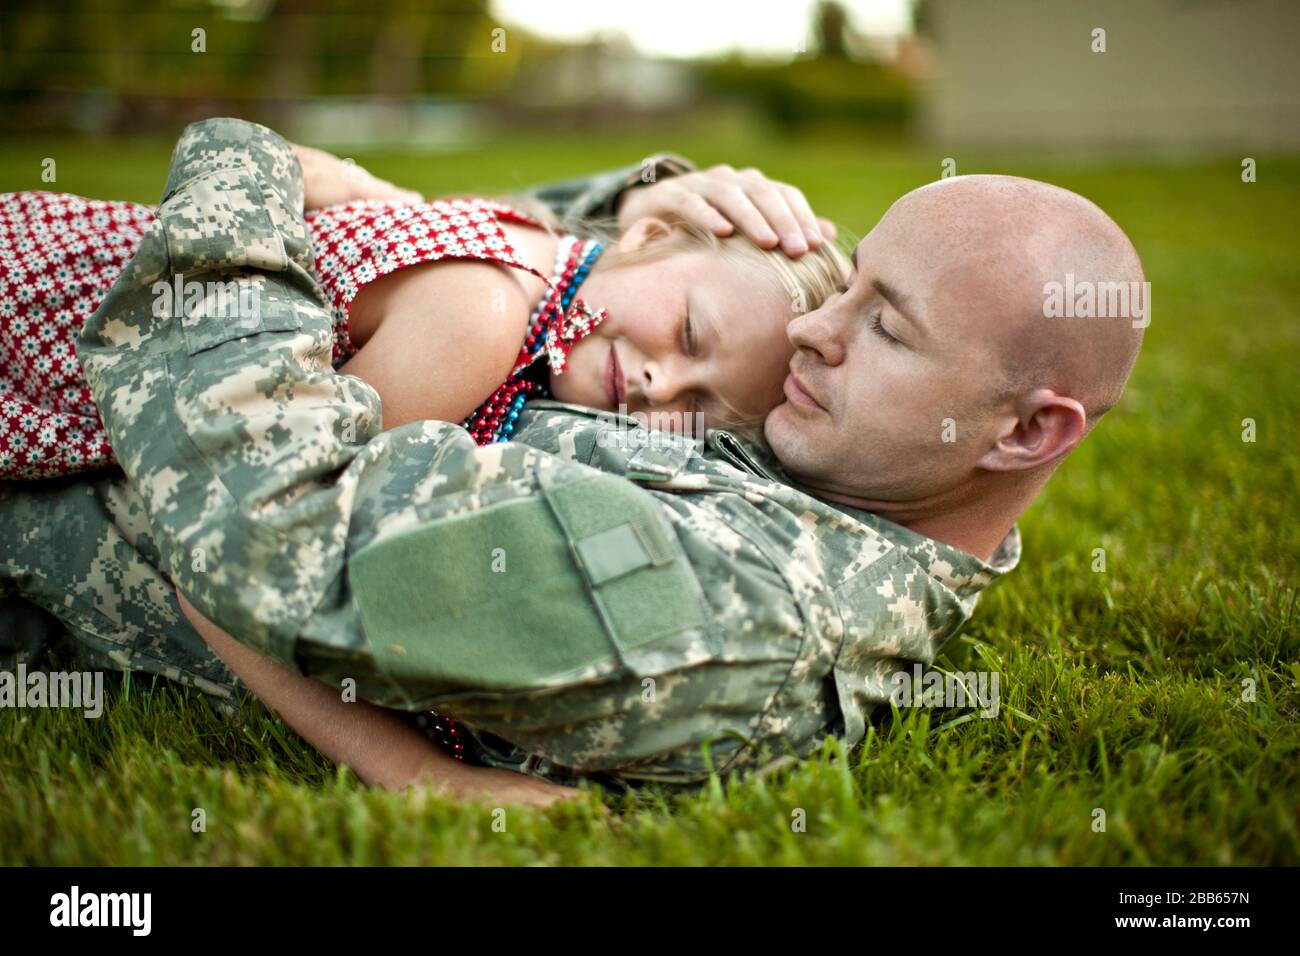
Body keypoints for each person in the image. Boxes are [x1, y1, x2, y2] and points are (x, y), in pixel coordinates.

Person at [3, 118, 1147, 807]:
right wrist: (630, 215)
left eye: (883, 325)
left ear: (1024, 432)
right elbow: (527, 298)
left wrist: (233, 186)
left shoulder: (742, 607)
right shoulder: (851, 446)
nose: (812, 332)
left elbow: (260, 530)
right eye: (846, 282)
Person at [0, 139, 848, 481]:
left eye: (700, 406)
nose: (664, 384)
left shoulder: (530, 239)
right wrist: (422, 774)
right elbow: (267, 514)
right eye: (692, 334)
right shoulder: (481, 317)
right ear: (648, 228)